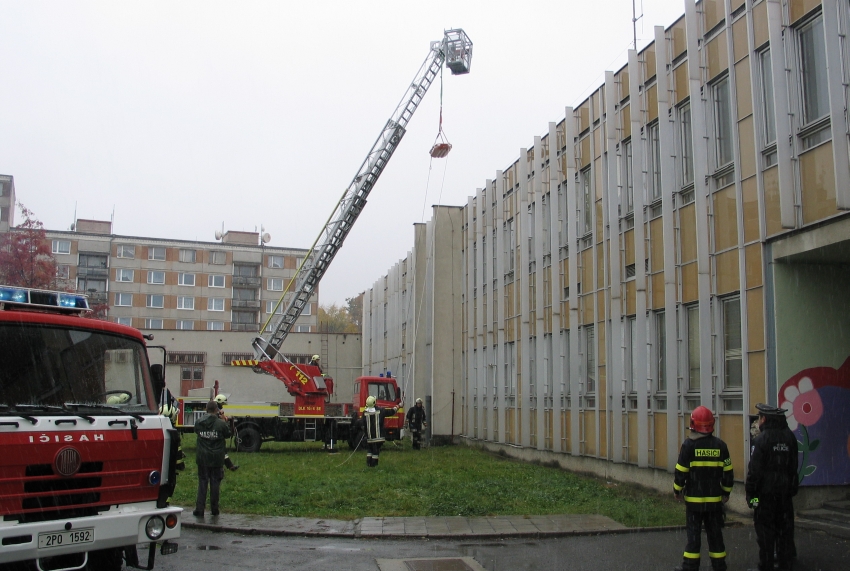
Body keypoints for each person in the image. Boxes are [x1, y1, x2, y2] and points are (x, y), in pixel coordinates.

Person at [673, 405, 734, 571]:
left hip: (694, 502)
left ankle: (690, 567)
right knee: (715, 536)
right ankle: (719, 566)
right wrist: (726, 492)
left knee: (693, 536)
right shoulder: (721, 446)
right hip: (714, 503)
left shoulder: (688, 446)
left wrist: (677, 490)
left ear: (693, 423)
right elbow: (728, 473)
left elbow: (681, 472)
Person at [745, 403, 799, 571]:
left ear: (765, 419)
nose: (759, 421)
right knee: (785, 533)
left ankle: (766, 566)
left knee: (766, 534)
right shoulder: (790, 437)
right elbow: (793, 467)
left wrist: (751, 495)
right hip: (784, 496)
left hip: (765, 497)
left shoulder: (761, 440)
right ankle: (785, 565)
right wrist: (790, 489)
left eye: (760, 417)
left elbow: (755, 471)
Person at [193, 399, 232, 517]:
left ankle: (200, 509)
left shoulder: (199, 422)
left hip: (203, 458)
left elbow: (196, 431)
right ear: (216, 410)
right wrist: (223, 421)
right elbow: (228, 434)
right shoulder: (220, 424)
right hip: (216, 459)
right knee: (215, 484)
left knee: (202, 483)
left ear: (206, 409)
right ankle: (214, 509)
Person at [359, 395, 400, 467]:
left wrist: (365, 434)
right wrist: (398, 406)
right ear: (374, 402)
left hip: (369, 438)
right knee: (376, 451)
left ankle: (369, 464)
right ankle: (374, 465)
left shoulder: (365, 413)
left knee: (370, 450)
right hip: (378, 438)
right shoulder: (380, 411)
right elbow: (391, 411)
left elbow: (363, 424)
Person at [214, 394, 239, 471]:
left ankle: (229, 466)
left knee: (223, 451)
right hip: (216, 434)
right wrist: (225, 419)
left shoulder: (216, 409)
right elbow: (221, 420)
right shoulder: (216, 411)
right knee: (220, 451)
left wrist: (228, 418)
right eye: (222, 403)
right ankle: (222, 467)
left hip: (217, 433)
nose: (223, 405)